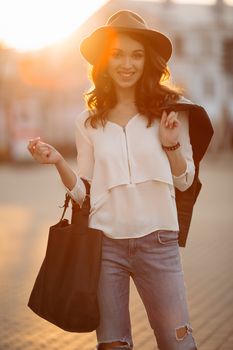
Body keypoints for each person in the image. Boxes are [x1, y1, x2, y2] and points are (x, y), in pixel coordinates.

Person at [27, 10, 213, 350]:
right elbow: (85, 192)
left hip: (158, 243)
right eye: (117, 54)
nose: (127, 64)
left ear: (148, 60)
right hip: (106, 245)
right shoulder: (88, 121)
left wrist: (170, 143)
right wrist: (57, 162)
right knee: (113, 345)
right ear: (104, 61)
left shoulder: (172, 111)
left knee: (178, 343)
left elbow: (185, 181)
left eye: (136, 55)